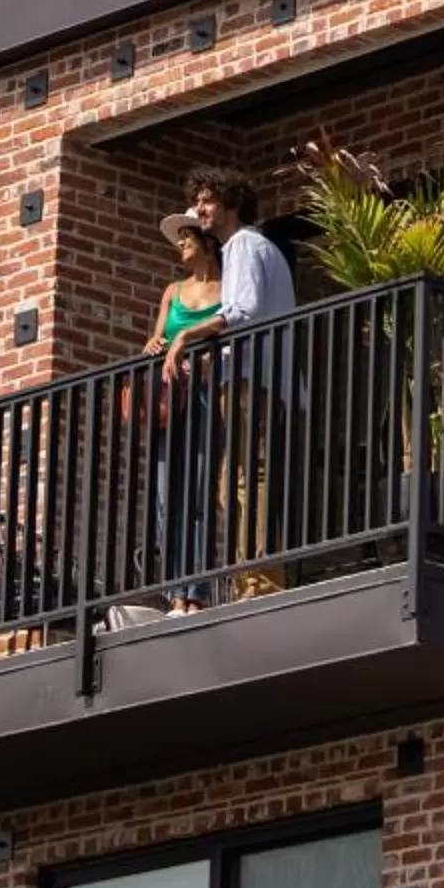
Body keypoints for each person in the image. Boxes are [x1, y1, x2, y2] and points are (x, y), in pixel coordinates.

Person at [186, 169, 296, 597]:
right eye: (198, 201)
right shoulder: (244, 248)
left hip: (254, 381)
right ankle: (247, 577)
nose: (199, 209)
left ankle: (262, 579)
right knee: (232, 482)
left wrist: (187, 336)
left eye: (207, 200)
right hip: (249, 377)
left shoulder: (245, 244)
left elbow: (243, 311)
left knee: (250, 477)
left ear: (231, 202)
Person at [142, 219, 226, 611]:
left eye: (186, 238)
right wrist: (154, 344)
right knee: (165, 497)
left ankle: (197, 593)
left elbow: (233, 323)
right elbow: (155, 340)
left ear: (206, 242)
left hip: (207, 395)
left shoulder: (226, 288)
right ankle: (175, 593)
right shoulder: (172, 292)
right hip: (170, 400)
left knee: (197, 493)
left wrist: (193, 345)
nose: (181, 245)